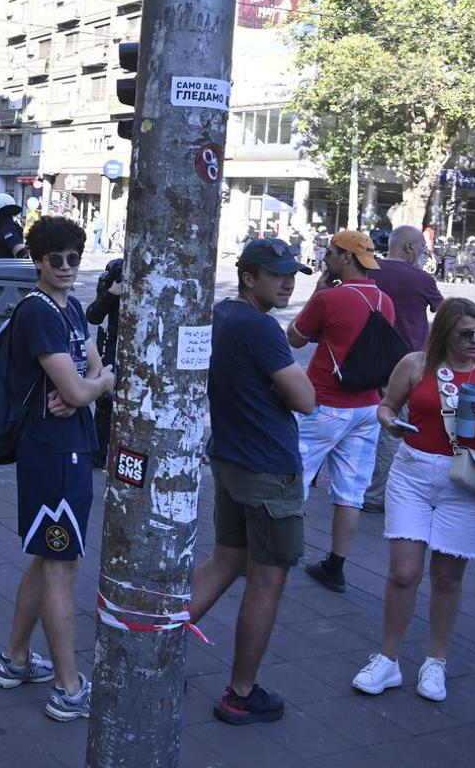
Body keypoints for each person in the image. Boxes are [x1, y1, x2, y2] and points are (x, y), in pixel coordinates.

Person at [350, 299, 475, 704]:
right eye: (466, 333)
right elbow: (387, 407)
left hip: (467, 480)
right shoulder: (415, 364)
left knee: (446, 577)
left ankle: (435, 660)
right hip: (413, 473)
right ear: (444, 332)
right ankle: (388, 659)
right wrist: (391, 423)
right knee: (403, 572)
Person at [189, 238, 316, 725]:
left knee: (226, 559)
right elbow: (305, 400)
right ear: (249, 277)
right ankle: (241, 693)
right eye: (278, 274)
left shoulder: (223, 314)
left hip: (230, 457)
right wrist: (284, 388)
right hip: (268, 467)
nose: (288, 284)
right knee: (267, 579)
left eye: (292, 275)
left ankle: (154, 650)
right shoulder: (261, 327)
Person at [0, 216, 113, 722]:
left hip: (67, 449)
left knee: (47, 559)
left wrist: (88, 386)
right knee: (61, 566)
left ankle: (15, 659)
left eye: (73, 258)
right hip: (54, 455)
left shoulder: (72, 307)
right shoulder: (39, 312)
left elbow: (90, 368)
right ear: (38, 262)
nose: (66, 267)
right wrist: (94, 387)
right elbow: (85, 383)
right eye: (55, 259)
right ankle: (68, 687)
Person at [287, 228, 396, 593]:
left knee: (293, 478)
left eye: (331, 253)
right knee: (351, 491)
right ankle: (336, 566)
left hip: (323, 405)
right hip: (367, 407)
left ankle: (278, 553)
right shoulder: (384, 301)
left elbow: (295, 338)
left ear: (346, 257)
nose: (326, 258)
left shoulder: (329, 298)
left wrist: (318, 291)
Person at [363, 226, 445, 513]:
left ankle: (355, 486)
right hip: (406, 362)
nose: (424, 253)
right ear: (409, 247)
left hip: (365, 359)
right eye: (422, 247)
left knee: (363, 423)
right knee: (393, 428)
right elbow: (445, 314)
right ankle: (376, 495)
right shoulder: (422, 279)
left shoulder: (369, 270)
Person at [86, 257, 126, 462]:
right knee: (106, 399)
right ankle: (99, 452)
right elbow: (93, 316)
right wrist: (111, 294)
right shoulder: (117, 271)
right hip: (115, 345)